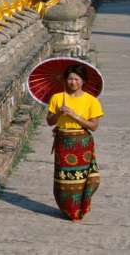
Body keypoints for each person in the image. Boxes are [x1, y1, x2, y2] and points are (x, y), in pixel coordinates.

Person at [46, 65, 103, 221]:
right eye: (70, 79)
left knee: (86, 178)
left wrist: (74, 116)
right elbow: (50, 122)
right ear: (65, 80)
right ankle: (68, 210)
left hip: (82, 143)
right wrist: (58, 113)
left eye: (76, 79)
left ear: (83, 81)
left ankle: (81, 208)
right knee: (64, 178)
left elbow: (94, 126)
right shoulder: (57, 98)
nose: (73, 82)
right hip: (63, 142)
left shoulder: (91, 101)